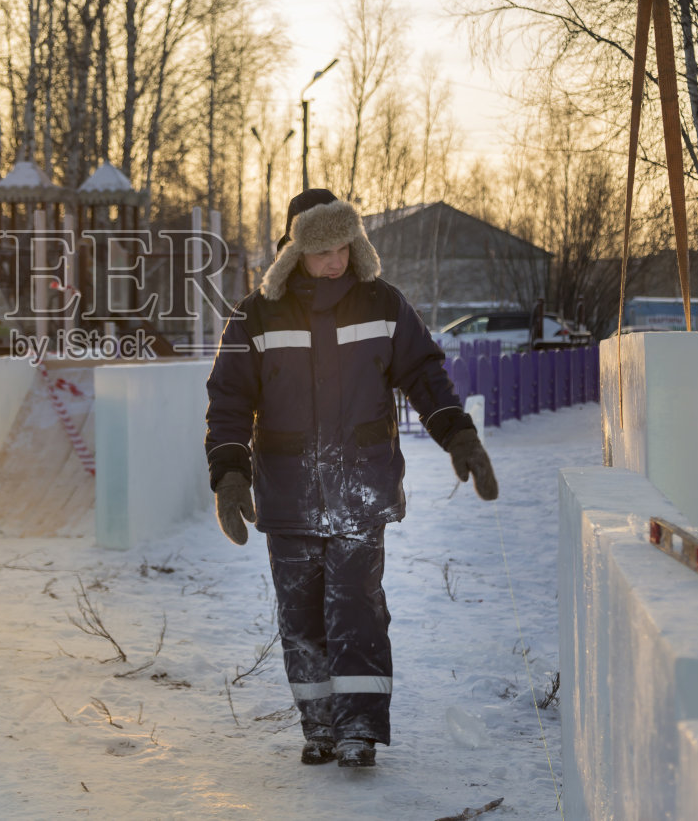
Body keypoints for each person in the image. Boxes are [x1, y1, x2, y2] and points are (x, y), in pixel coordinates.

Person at [204, 188, 497, 769]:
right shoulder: (255, 314)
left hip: (362, 491)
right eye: (319, 251)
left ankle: (359, 728)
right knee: (302, 615)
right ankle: (318, 727)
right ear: (292, 253)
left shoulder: (382, 304)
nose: (334, 260)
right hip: (287, 494)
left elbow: (424, 374)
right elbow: (229, 401)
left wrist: (457, 435)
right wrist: (230, 475)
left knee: (358, 611)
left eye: (342, 245)